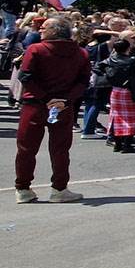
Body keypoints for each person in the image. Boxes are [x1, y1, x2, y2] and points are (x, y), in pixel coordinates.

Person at [13, 17, 91, 203]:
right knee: (60, 149)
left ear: (55, 31)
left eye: (45, 27)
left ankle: (23, 188)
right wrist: (65, 100)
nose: (40, 29)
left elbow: (25, 76)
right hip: (62, 106)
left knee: (26, 148)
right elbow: (83, 81)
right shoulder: (81, 53)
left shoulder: (36, 49)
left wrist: (47, 98)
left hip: (35, 104)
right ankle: (59, 188)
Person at [98, 37, 135, 153]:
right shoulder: (132, 60)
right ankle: (127, 145)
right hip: (129, 90)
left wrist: (110, 76)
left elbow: (98, 68)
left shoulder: (110, 60)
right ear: (127, 48)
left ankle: (118, 144)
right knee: (130, 118)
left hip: (116, 90)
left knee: (116, 117)